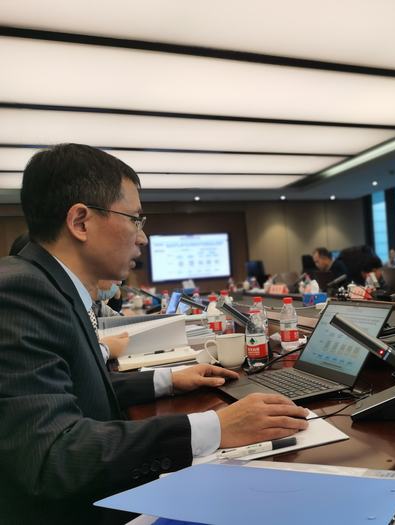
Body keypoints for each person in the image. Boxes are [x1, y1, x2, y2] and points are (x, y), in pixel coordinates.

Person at [0, 144, 308, 524]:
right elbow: (50, 457)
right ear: (80, 222)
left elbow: (75, 387)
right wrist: (216, 426)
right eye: (135, 219)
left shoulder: (47, 286)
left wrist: (168, 381)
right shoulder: (20, 293)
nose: (143, 237)